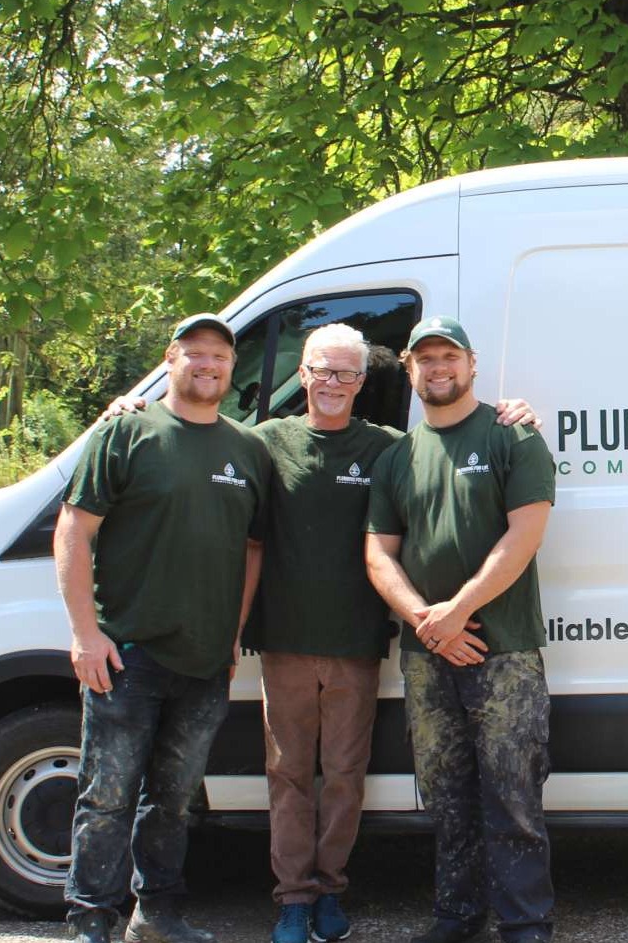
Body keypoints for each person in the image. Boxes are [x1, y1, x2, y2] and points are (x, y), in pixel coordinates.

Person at [104, 323, 537, 943]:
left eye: (347, 373)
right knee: (285, 776)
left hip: (357, 644)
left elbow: (444, 456)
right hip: (282, 639)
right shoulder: (261, 444)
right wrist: (129, 409)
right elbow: (197, 449)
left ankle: (331, 888)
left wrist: (517, 411)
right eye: (322, 370)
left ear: (364, 381)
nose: (333, 383)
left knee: (342, 776)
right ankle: (293, 898)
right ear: (302, 374)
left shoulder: (389, 448)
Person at [56, 313, 270, 943]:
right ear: (171, 360)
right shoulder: (125, 433)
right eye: (195, 353)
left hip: (205, 661)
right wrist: (85, 633)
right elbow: (74, 529)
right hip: (126, 653)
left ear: (233, 370)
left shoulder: (246, 449)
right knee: (107, 796)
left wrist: (232, 631)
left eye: (221, 357)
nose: (209, 365)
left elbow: (253, 548)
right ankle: (91, 919)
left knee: (175, 800)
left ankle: (159, 914)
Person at [365, 316, 557, 943]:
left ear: (472, 364)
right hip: (429, 654)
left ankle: (525, 922)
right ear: (408, 366)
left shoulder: (514, 438)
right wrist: (427, 620)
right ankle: (457, 913)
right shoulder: (397, 455)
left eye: (449, 356)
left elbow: (524, 535)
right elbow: (377, 551)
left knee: (513, 794)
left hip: (504, 651)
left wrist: (456, 611)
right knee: (445, 794)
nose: (438, 367)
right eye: (425, 358)